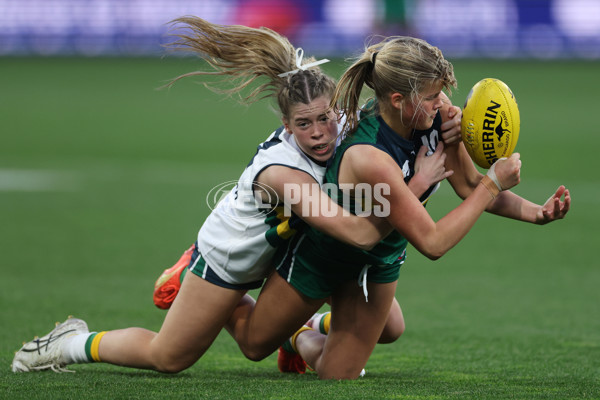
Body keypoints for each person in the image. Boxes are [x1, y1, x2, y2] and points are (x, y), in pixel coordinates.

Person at [10, 18, 451, 374]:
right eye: (303, 124)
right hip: (235, 254)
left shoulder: (343, 119)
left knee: (388, 326)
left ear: (335, 108)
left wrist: (449, 119)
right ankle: (69, 343)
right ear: (285, 121)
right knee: (171, 357)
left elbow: (402, 108)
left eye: (324, 119)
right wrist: (414, 188)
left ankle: (297, 334)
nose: (318, 133)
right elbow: (358, 233)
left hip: (300, 243)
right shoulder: (284, 175)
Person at [268, 36, 570, 379]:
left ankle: (303, 332)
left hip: (378, 258)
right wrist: (494, 182)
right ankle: (288, 326)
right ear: (398, 100)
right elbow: (433, 242)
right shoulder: (370, 154)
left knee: (389, 331)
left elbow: (469, 186)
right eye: (431, 96)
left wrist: (537, 213)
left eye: (441, 92)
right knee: (256, 345)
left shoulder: (435, 116)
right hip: (329, 255)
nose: (442, 102)